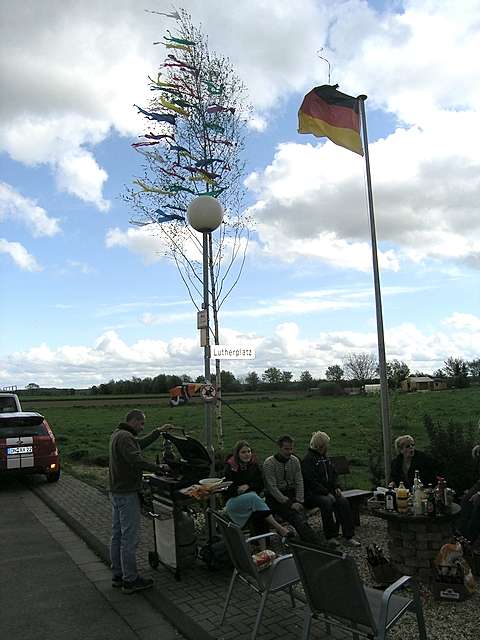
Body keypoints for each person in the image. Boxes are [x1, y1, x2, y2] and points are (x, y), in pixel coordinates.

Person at [109, 409, 173, 594]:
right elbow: (136, 460)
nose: (142, 427)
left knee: (118, 535)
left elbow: (139, 445)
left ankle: (118, 574)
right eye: (142, 424)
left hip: (116, 491)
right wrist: (159, 468)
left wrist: (158, 431)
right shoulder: (125, 437)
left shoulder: (119, 434)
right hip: (127, 493)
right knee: (129, 537)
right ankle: (130, 580)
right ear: (134, 421)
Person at [301, 431, 360, 547]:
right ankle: (330, 536)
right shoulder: (309, 460)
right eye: (326, 444)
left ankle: (348, 536)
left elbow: (334, 474)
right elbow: (310, 482)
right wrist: (326, 492)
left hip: (327, 491)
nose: (328, 447)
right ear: (321, 446)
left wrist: (337, 487)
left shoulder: (325, 459)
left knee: (343, 501)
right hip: (312, 494)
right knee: (326, 502)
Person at [223, 440, 289, 541]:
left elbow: (260, 484)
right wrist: (237, 489)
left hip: (252, 502)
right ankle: (279, 528)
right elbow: (226, 488)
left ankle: (263, 547)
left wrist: (248, 486)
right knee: (254, 498)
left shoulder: (253, 465)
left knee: (259, 512)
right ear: (237, 454)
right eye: (243, 452)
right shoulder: (230, 467)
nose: (247, 454)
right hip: (234, 502)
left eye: (249, 451)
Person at [263, 435, 320, 544]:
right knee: (294, 515)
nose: (289, 452)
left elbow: (299, 481)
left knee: (300, 516)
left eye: (291, 449)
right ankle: (312, 543)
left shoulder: (294, 461)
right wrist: (289, 503)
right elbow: (272, 488)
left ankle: (311, 542)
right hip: (275, 497)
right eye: (286, 449)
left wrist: (299, 500)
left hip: (291, 494)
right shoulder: (269, 463)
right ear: (279, 448)